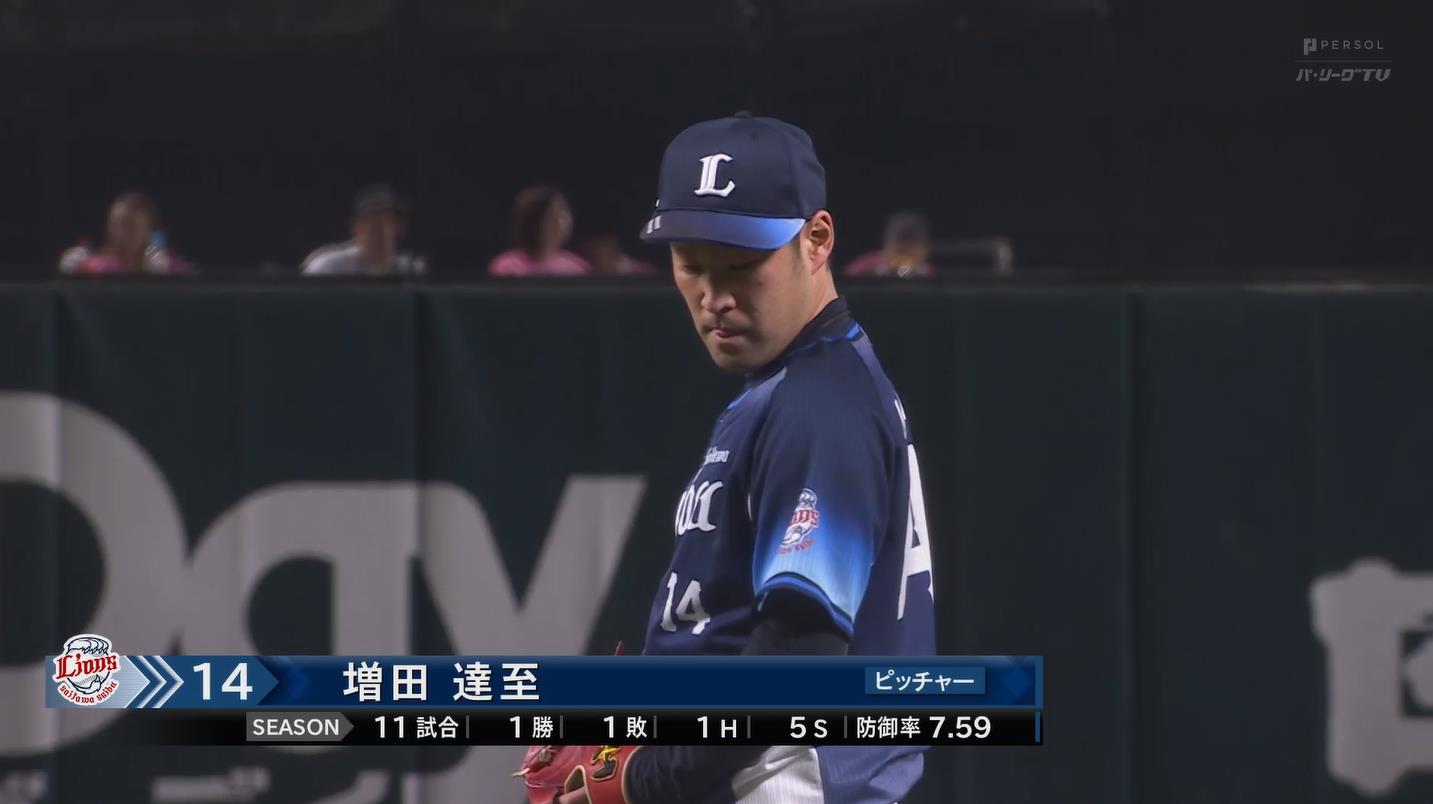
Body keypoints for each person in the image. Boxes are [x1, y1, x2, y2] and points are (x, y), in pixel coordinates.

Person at [536, 113, 937, 803]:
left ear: (816, 240)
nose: (713, 297)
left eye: (742, 266)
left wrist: (643, 778)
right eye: (691, 265)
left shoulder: (822, 406)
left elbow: (798, 653)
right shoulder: (793, 386)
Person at [302, 185, 426, 276]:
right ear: (356, 228)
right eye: (375, 224)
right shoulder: (329, 267)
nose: (383, 231)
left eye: (389, 223)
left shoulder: (411, 269)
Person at [59, 191, 189, 274]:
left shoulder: (168, 264)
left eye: (132, 225)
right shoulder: (97, 267)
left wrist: (161, 274)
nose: (124, 232)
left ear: (149, 229)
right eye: (118, 224)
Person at [488, 186, 591, 276]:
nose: (564, 222)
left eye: (564, 214)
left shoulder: (576, 269)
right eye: (553, 216)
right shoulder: (505, 267)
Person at [842, 212, 935, 278]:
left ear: (925, 250)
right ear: (887, 245)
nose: (904, 257)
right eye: (900, 251)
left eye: (910, 252)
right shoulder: (865, 266)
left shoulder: (928, 275)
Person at [577, 230, 659, 277]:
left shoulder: (643, 273)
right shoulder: (582, 270)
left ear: (613, 252)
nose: (595, 255)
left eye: (599, 252)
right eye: (591, 252)